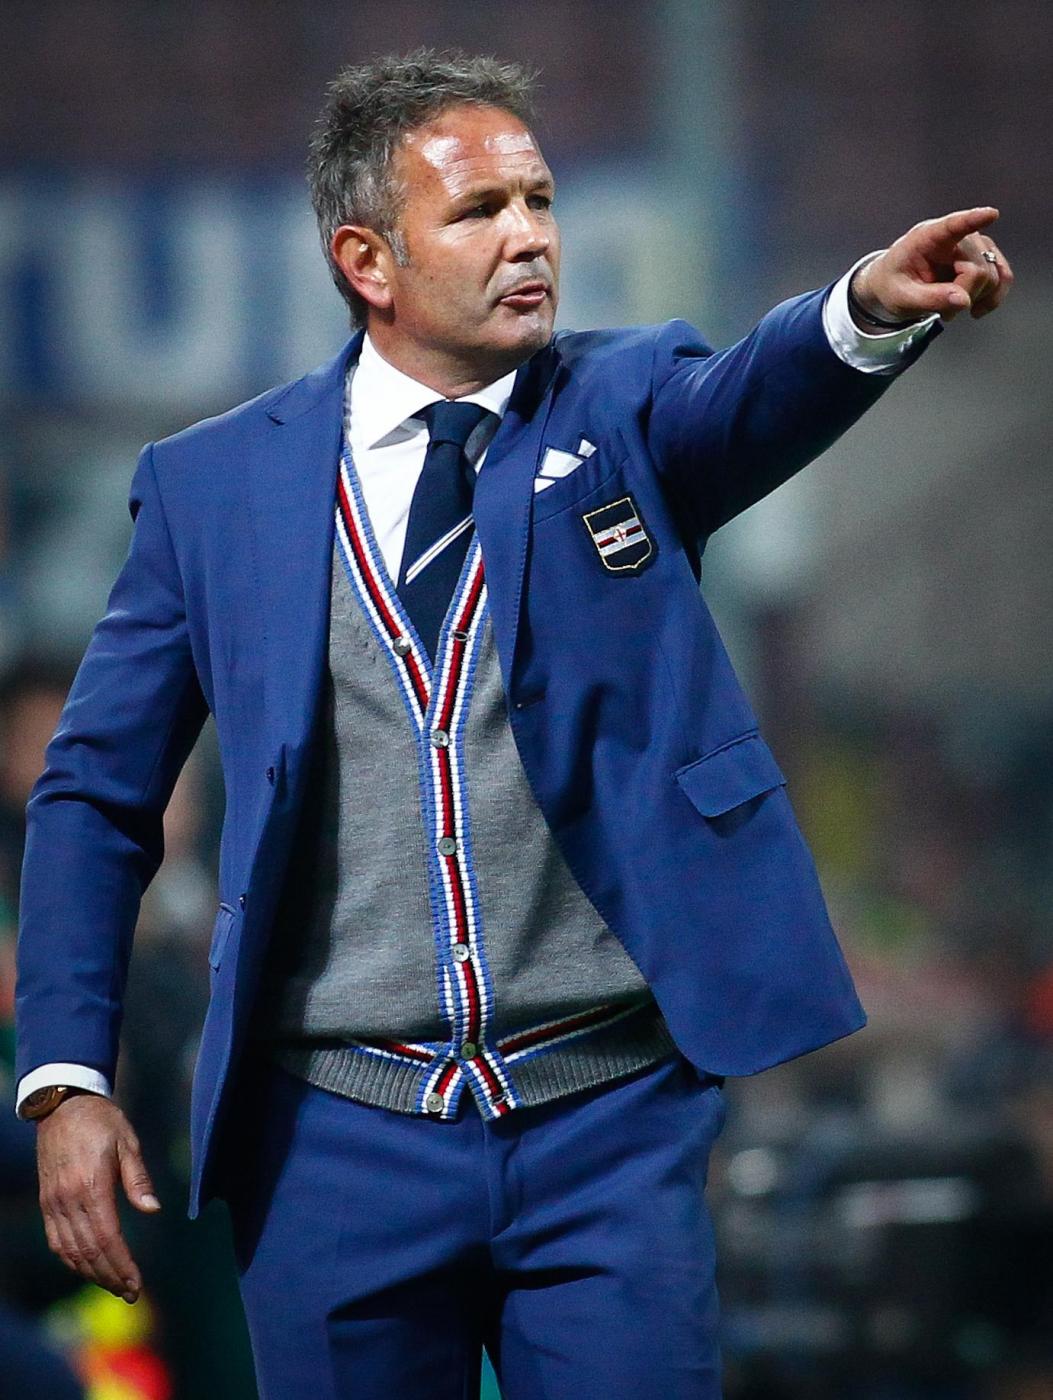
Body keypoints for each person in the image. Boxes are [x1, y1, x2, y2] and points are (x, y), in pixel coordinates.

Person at [14, 49, 1011, 1400]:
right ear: (367, 261)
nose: (530, 235)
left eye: (538, 199)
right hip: (332, 1143)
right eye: (479, 210)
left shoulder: (626, 404)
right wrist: (66, 1076)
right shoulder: (210, 489)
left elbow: (752, 395)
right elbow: (94, 795)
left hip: (606, 1127)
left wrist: (865, 311)